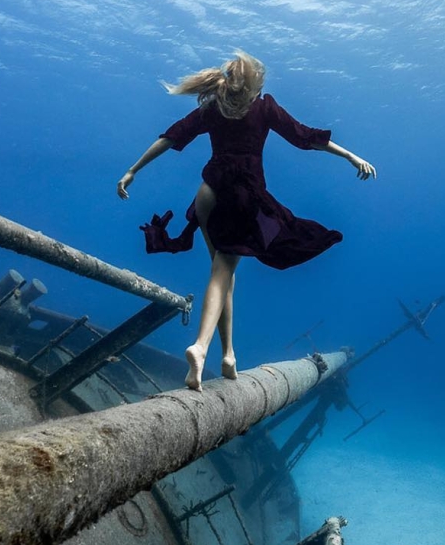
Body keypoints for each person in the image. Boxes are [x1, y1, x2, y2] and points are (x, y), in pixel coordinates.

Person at [117, 51, 375, 392]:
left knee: (223, 273)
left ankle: (228, 355)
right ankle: (201, 346)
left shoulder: (213, 107)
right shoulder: (264, 107)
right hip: (240, 196)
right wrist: (351, 156)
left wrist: (133, 170)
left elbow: (171, 137)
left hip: (207, 192)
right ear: (255, 85)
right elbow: (305, 137)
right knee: (223, 271)